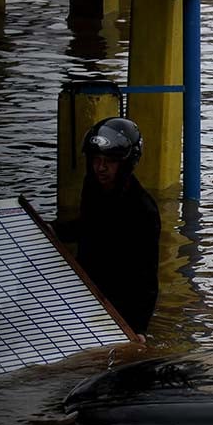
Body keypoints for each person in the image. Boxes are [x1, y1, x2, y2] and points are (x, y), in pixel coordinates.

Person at [54, 117, 160, 339]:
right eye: (96, 160)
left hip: (119, 300)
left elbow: (146, 278)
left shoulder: (144, 211)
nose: (100, 168)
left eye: (109, 162)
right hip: (85, 288)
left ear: (126, 164)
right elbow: (89, 227)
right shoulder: (92, 185)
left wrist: (138, 328)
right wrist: (54, 231)